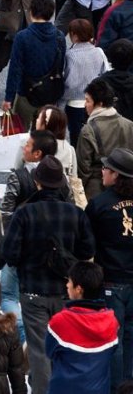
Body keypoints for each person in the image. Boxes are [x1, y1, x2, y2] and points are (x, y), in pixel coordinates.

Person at [3, 155, 95, 394]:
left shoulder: (24, 214)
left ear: (37, 182)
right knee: (65, 346)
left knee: (39, 350)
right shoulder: (76, 214)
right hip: (67, 290)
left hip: (33, 290)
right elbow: (88, 250)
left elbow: (10, 254)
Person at [85, 147, 133, 384]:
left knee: (114, 338)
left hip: (111, 281)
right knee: (131, 338)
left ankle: (115, 387)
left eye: (105, 168)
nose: (102, 171)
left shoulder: (99, 204)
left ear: (116, 175)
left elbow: (87, 245)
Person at [47, 261, 119, 394]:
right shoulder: (112, 322)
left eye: (69, 281)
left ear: (78, 289)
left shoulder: (59, 321)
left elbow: (49, 352)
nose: (67, 285)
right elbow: (113, 351)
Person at [3, 0, 65, 127]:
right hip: (49, 94)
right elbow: (60, 67)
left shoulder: (22, 37)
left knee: (19, 135)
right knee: (44, 137)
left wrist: (9, 97)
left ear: (31, 12)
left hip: (26, 93)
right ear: (51, 13)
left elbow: (15, 69)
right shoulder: (60, 37)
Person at [76, 79, 133, 201]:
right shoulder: (129, 125)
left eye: (87, 101)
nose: (85, 105)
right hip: (128, 187)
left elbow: (83, 169)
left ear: (100, 103)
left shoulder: (88, 130)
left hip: (97, 190)